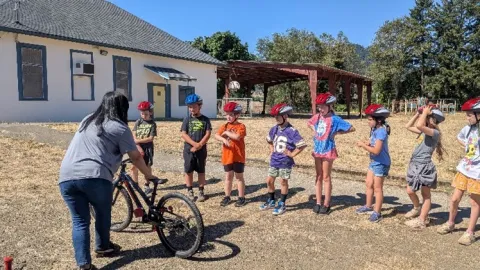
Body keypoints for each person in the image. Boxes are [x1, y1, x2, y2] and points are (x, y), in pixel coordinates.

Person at [59, 91, 158, 270]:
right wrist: (148, 175)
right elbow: (136, 157)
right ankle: (103, 247)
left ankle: (84, 265)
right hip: (95, 175)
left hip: (66, 176)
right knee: (103, 213)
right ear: (123, 109)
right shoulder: (120, 128)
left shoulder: (87, 119)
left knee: (80, 221)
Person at [437, 97, 480, 245]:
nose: (467, 118)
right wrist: (467, 146)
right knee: (454, 198)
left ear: (479, 115)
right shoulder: (468, 129)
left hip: (477, 173)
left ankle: (470, 233)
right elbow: (459, 137)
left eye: (469, 115)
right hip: (464, 169)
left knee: (474, 202)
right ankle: (450, 223)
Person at [307, 92, 355, 214]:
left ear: (330, 106)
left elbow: (351, 128)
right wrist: (314, 130)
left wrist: (337, 133)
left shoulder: (335, 119)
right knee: (318, 176)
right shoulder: (317, 117)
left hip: (328, 150)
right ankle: (318, 201)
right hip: (317, 150)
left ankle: (327, 203)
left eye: (323, 106)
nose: (320, 109)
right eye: (319, 106)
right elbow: (309, 123)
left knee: (326, 177)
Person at [259, 103, 307, 215]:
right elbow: (269, 140)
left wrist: (292, 154)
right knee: (269, 181)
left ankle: (282, 204)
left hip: (285, 161)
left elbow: (302, 145)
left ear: (285, 116)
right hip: (274, 160)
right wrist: (271, 149)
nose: (276, 118)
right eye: (275, 116)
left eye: (278, 116)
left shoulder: (292, 131)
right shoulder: (274, 129)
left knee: (283, 182)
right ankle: (271, 200)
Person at [403, 105, 445, 229]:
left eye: (428, 117)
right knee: (410, 190)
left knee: (426, 195)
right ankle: (417, 208)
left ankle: (421, 220)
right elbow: (408, 126)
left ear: (432, 120)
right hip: (415, 164)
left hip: (424, 166)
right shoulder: (424, 131)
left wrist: (425, 113)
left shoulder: (434, 133)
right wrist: (418, 113)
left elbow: (419, 125)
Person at [356, 104, 391, 223]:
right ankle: (368, 205)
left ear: (378, 120)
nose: (368, 122)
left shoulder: (381, 132)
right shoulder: (375, 130)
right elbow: (373, 143)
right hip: (374, 162)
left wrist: (363, 145)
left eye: (370, 120)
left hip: (381, 163)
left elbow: (376, 150)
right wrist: (367, 142)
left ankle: (377, 212)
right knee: (368, 183)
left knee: (377, 188)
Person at [215, 102, 247, 207]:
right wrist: (223, 139)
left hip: (238, 156)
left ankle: (241, 197)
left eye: (231, 114)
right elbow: (216, 135)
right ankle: (227, 196)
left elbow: (237, 137)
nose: (228, 117)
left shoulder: (241, 126)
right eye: (227, 114)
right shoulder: (224, 126)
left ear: (237, 115)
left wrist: (227, 133)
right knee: (228, 177)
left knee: (239, 177)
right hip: (227, 156)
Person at [180, 93, 212, 202]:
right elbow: (183, 134)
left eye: (194, 106)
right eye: (190, 107)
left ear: (200, 106)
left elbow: (207, 134)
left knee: (201, 170)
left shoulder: (205, 120)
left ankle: (201, 191)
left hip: (201, 150)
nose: (192, 109)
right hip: (189, 150)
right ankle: (189, 191)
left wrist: (200, 145)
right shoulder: (186, 119)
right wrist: (194, 144)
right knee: (188, 170)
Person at [131, 101, 157, 195]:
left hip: (147, 148)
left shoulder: (152, 123)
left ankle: (147, 185)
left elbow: (150, 138)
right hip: (137, 147)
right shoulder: (138, 122)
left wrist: (138, 141)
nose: (144, 115)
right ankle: (135, 184)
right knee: (134, 166)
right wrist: (136, 142)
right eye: (142, 113)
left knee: (147, 166)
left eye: (146, 113)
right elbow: (134, 133)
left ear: (150, 112)